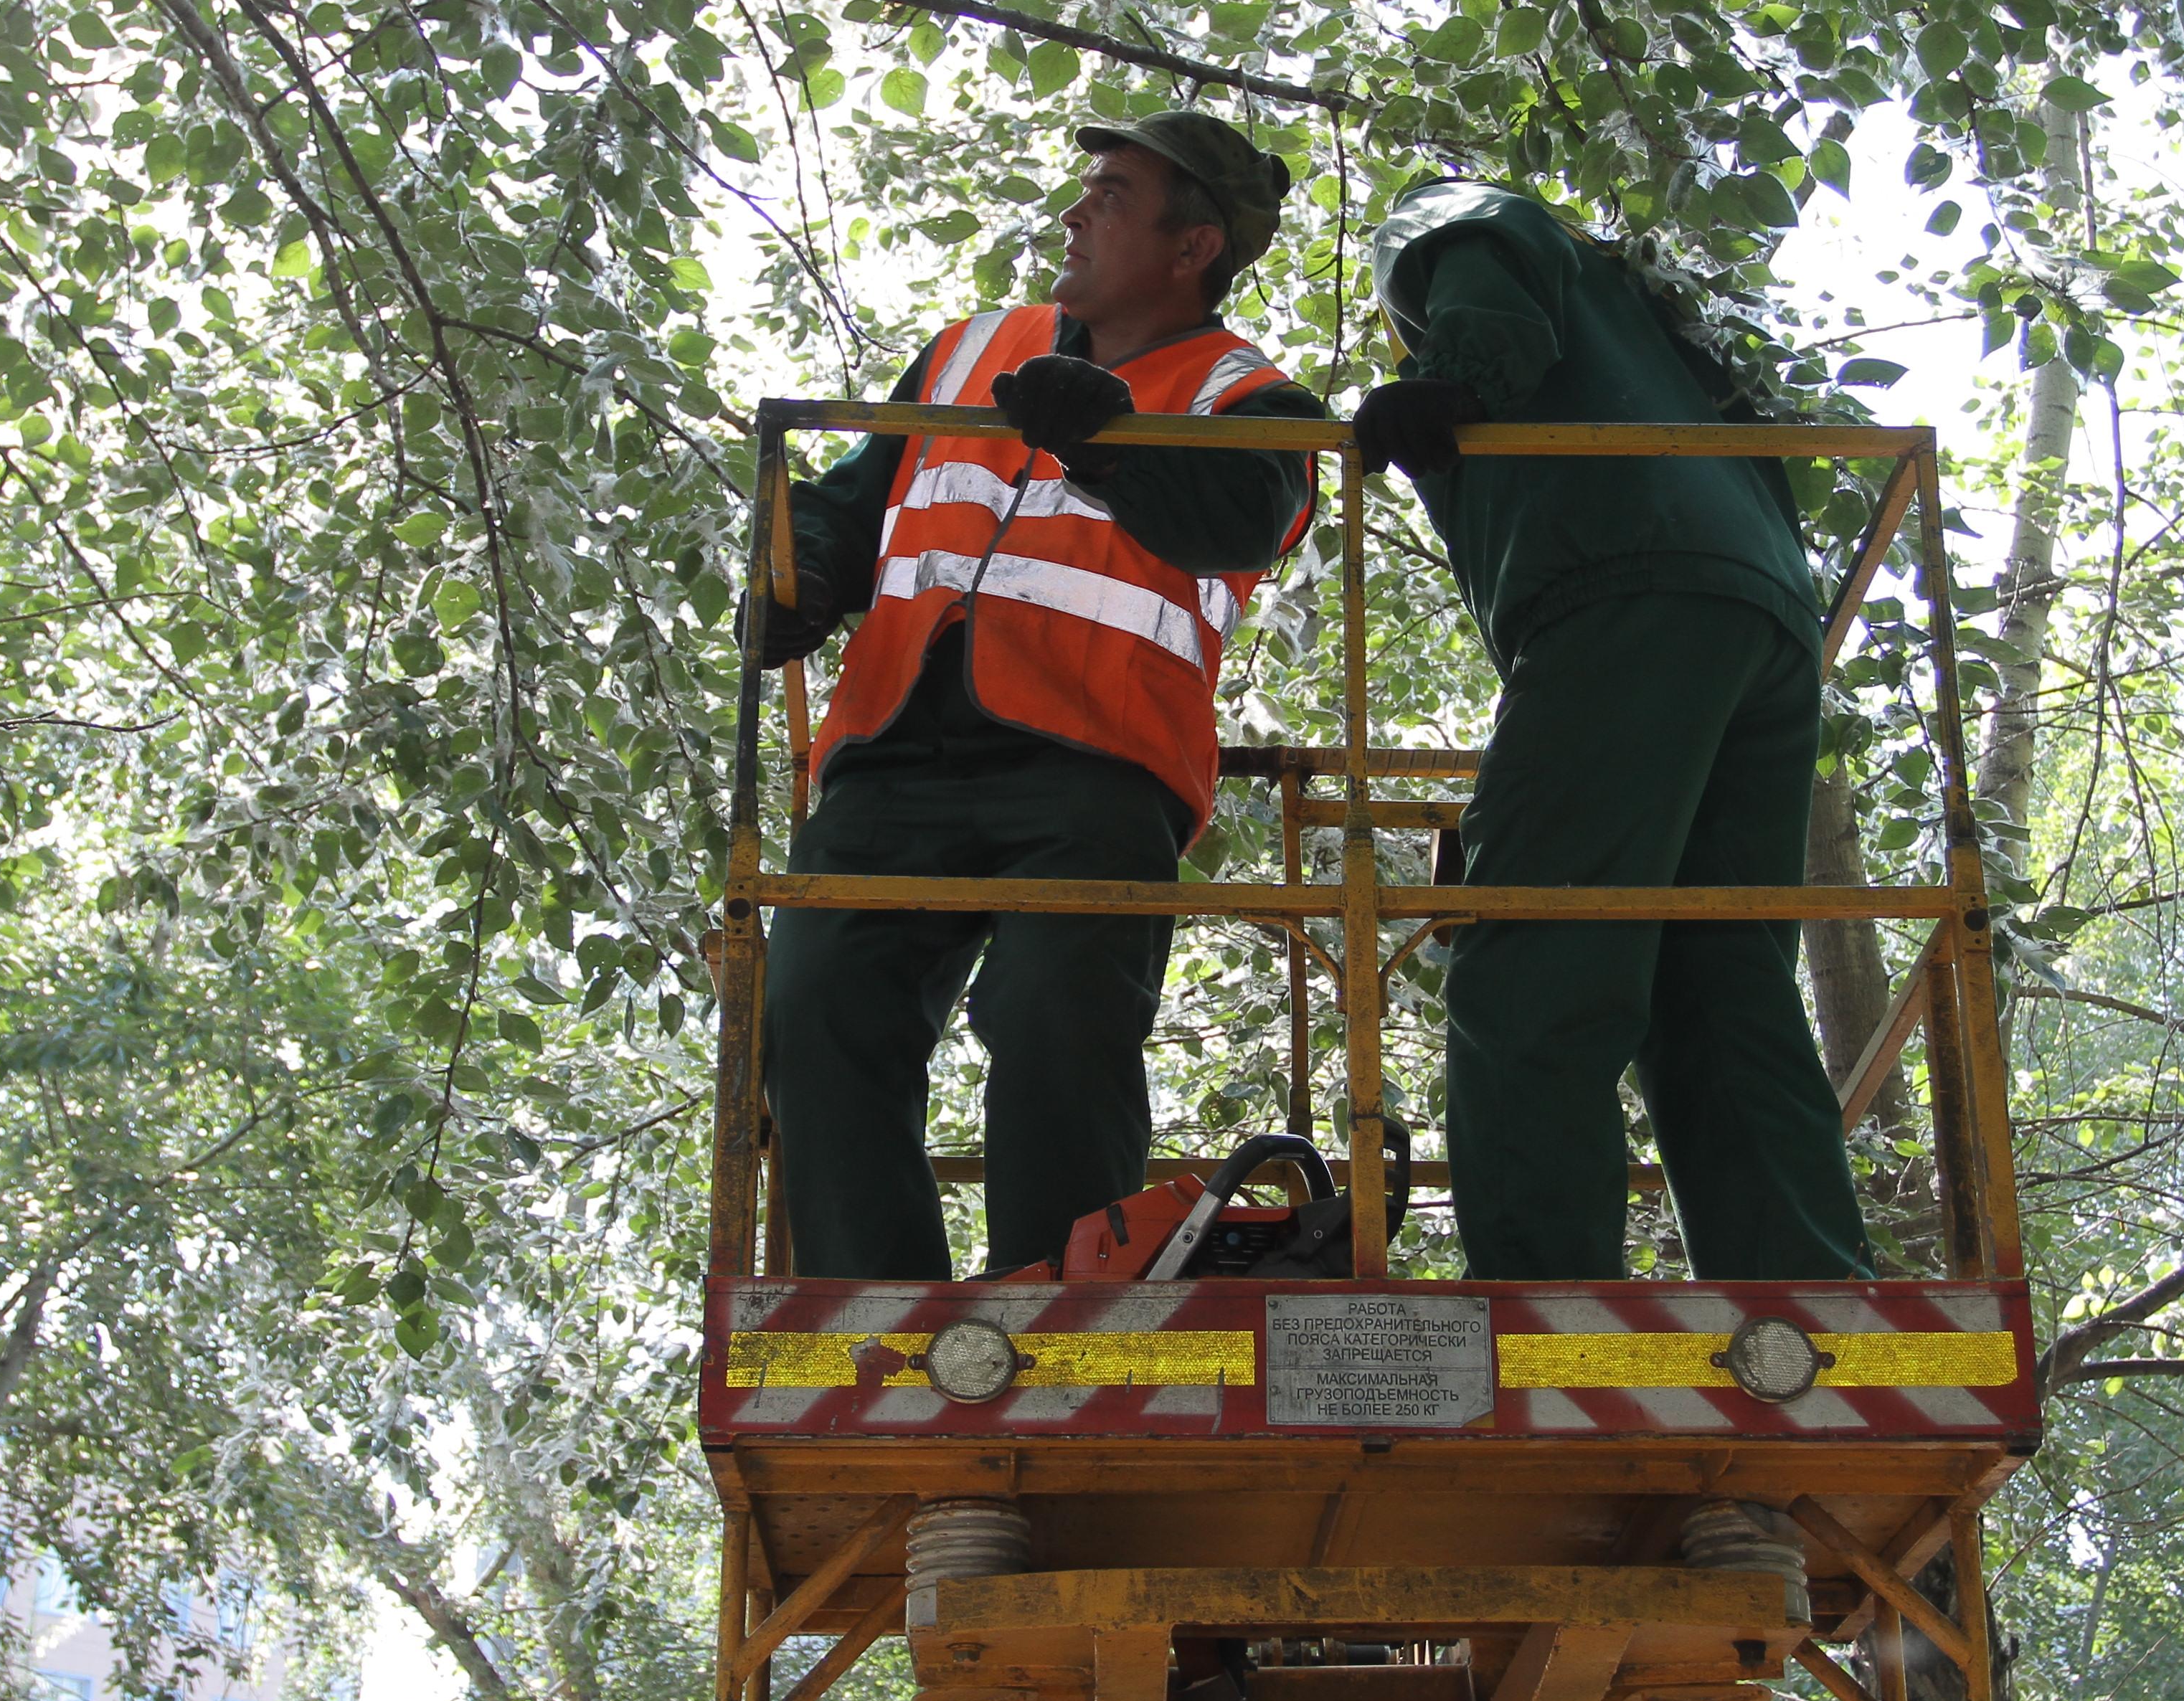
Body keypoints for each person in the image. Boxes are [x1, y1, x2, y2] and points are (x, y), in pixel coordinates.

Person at [752, 113, 1326, 1281]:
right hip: (892, 748)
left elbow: (1233, 522)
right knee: (810, 1005)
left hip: (1092, 762)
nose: (1074, 212)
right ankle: (877, 1312)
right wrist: (800, 570)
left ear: (1191, 247)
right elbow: (860, 494)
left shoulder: (1253, 398)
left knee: (1060, 1020)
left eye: (1110, 195)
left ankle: (1059, 1312)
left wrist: (1107, 443)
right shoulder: (973, 349)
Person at [1351, 181, 1871, 1281]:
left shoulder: (1456, 217)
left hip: (1626, 588)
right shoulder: (1647, 311)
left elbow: (1482, 288)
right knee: (1716, 978)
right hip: (1766, 622)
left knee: (1531, 954)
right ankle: (1805, 1283)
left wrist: (1442, 382)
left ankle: (1538, 1297)